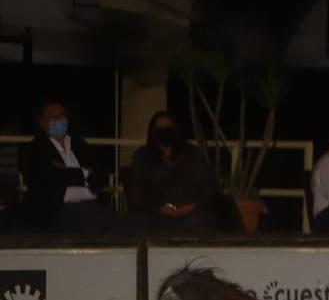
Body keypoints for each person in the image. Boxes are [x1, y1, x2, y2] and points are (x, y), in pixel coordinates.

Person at [18, 100, 106, 232]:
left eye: (61, 115)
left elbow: (101, 176)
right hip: (58, 212)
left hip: (92, 206)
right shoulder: (34, 149)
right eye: (52, 117)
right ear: (42, 122)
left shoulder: (80, 145)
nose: (58, 120)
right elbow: (49, 178)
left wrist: (67, 174)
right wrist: (85, 174)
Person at [127, 111, 217, 233]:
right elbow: (137, 193)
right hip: (156, 212)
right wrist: (160, 208)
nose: (165, 131)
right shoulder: (144, 157)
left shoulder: (191, 153)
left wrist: (190, 206)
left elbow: (207, 187)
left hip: (191, 211)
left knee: (198, 221)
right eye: (160, 128)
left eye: (168, 128)